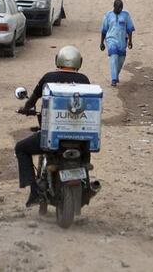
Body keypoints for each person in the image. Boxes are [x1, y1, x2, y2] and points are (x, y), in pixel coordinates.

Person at [15, 46, 90, 207]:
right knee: (85, 159)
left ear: (58, 60)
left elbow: (33, 99)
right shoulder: (84, 80)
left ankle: (34, 191)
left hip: (51, 138)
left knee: (21, 148)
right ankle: (88, 187)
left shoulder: (48, 77)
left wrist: (26, 109)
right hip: (81, 139)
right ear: (79, 62)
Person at [100, 0, 135, 87]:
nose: (120, 9)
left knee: (121, 60)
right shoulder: (108, 15)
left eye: (121, 8)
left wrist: (130, 41)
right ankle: (114, 79)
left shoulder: (126, 15)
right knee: (114, 56)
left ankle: (116, 74)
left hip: (122, 41)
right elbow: (104, 30)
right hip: (111, 40)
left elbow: (130, 29)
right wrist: (102, 43)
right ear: (114, 7)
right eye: (118, 8)